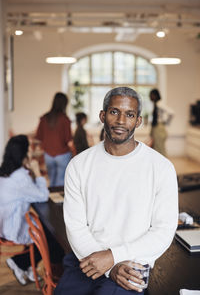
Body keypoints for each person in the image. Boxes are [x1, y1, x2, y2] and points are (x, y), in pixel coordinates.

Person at [55, 87, 178, 295]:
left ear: (138, 121)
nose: (121, 120)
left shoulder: (161, 167)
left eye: (129, 114)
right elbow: (75, 226)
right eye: (114, 112)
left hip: (132, 264)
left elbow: (163, 230)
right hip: (85, 259)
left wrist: (113, 257)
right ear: (102, 116)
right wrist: (110, 267)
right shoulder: (79, 165)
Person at [0, 135, 49, 285]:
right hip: (12, 227)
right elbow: (43, 196)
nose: (31, 152)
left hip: (3, 223)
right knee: (49, 236)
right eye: (29, 150)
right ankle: (20, 262)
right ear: (23, 154)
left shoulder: (6, 171)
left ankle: (28, 266)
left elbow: (28, 192)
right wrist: (37, 172)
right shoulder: (20, 177)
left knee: (45, 228)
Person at [36, 92, 72, 187]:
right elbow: (68, 139)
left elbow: (38, 136)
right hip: (62, 154)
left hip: (48, 154)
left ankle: (52, 199)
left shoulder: (44, 118)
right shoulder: (65, 119)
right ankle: (58, 201)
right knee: (61, 180)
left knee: (51, 180)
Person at [149, 88, 174, 156]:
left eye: (151, 95)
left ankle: (165, 165)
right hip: (156, 128)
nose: (150, 97)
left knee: (160, 150)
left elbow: (171, 112)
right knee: (156, 149)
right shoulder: (155, 104)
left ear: (156, 95)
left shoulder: (159, 104)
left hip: (159, 128)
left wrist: (166, 122)